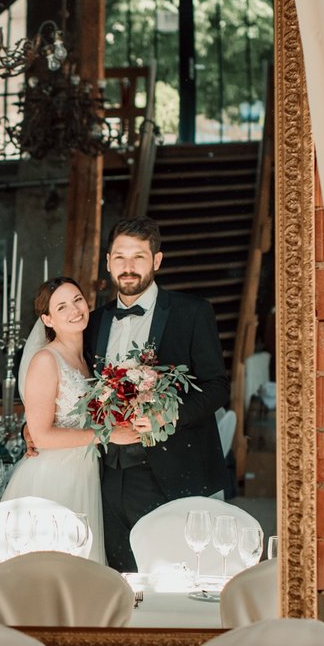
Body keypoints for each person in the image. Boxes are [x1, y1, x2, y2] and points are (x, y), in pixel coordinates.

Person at [89, 216, 230, 573]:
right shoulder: (93, 322)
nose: (128, 267)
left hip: (171, 471)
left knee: (172, 579)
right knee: (121, 578)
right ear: (108, 262)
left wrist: (170, 414)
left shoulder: (192, 312)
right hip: (107, 476)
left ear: (157, 260)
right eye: (120, 257)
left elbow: (217, 386)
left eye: (138, 256)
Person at [1, 277, 138, 565]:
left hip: (84, 474)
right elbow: (41, 436)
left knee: (80, 568)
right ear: (47, 320)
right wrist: (107, 434)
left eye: (77, 300)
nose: (74, 310)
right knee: (50, 568)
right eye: (61, 307)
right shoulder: (46, 360)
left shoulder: (88, 358)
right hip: (52, 477)